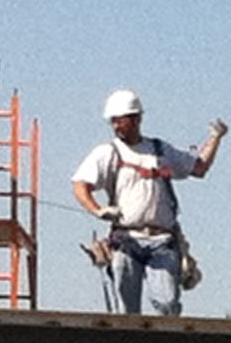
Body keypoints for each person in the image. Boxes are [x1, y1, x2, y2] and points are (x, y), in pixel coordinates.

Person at [72, 88, 225, 315]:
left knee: (166, 304)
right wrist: (98, 210)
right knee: (127, 311)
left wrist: (215, 138)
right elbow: (80, 185)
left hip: (161, 241)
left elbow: (198, 167)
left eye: (120, 121)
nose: (115, 127)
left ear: (136, 119)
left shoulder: (160, 150)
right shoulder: (109, 152)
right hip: (126, 240)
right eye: (112, 122)